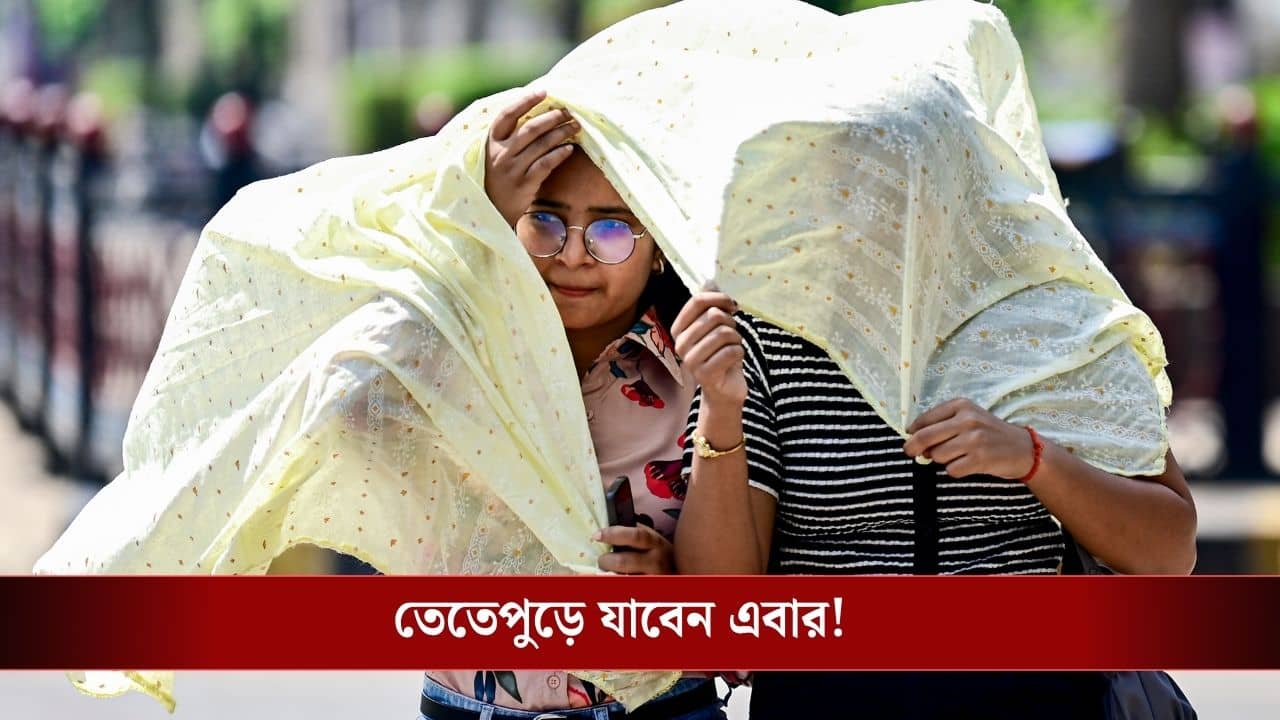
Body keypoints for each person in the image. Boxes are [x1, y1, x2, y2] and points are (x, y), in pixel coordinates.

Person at [668, 293, 1198, 718]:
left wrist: (1035, 459)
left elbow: (1169, 553)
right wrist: (720, 405)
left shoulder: (1056, 319)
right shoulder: (764, 335)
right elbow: (721, 613)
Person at [417, 89, 723, 720]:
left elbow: (741, 611)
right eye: (544, 221)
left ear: (660, 240)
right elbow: (352, 401)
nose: (575, 254)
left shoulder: (710, 379)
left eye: (612, 229)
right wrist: (479, 220)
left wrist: (674, 581)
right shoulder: (447, 346)